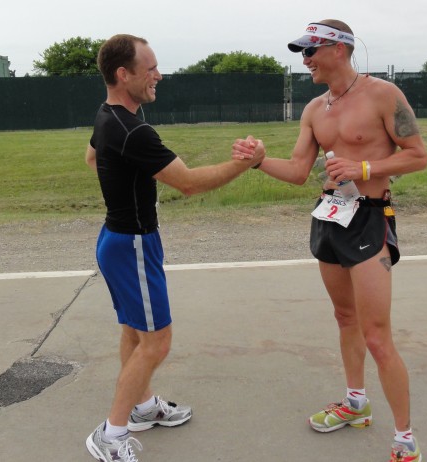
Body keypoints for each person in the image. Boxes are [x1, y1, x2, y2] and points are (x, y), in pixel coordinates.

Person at [233, 19, 427, 462]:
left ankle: (405, 440)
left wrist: (365, 170)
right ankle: (356, 404)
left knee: (377, 335)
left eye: (310, 52)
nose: (304, 61)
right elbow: (300, 172)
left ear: (339, 50)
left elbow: (418, 156)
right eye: (302, 53)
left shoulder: (384, 95)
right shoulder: (314, 109)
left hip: (369, 220)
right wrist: (260, 161)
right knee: (344, 317)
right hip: (329, 219)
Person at [84, 34, 263, 462]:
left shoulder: (108, 116)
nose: (158, 75)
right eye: (150, 69)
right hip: (133, 244)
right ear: (123, 74)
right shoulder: (134, 129)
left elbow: (92, 158)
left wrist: (126, 184)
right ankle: (110, 434)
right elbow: (188, 183)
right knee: (158, 342)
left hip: (117, 238)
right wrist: (247, 162)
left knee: (135, 331)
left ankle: (143, 407)